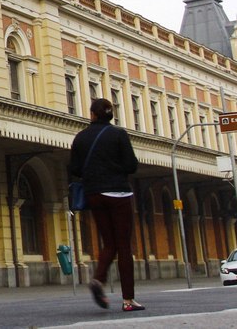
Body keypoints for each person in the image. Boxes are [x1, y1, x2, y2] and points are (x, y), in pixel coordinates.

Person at [69, 98, 143, 312]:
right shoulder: (118, 134)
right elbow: (131, 165)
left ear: (92, 114)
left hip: (94, 194)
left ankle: (98, 280)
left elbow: (75, 168)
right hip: (118, 193)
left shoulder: (81, 137)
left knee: (108, 242)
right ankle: (128, 300)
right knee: (123, 245)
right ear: (110, 114)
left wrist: (94, 173)